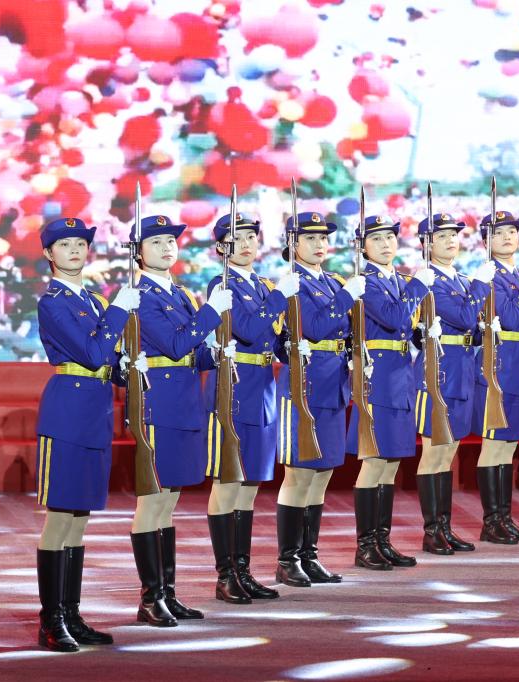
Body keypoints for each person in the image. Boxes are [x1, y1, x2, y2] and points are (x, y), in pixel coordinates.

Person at [34, 217, 143, 652]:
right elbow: (93, 352)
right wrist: (119, 310)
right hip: (68, 409)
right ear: (49, 254)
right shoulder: (53, 302)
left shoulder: (93, 300)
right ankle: (50, 620)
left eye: (80, 243)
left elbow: (108, 362)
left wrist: (129, 367)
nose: (75, 251)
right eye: (65, 245)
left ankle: (71, 614)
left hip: (96, 408)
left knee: (80, 518)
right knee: (61, 516)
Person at [127, 214, 234, 627]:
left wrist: (216, 352)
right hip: (160, 403)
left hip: (186, 400)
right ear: (138, 252)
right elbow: (173, 345)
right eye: (156, 242)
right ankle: (150, 597)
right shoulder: (141, 294)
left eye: (170, 241)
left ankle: (167, 593)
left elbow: (193, 353)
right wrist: (210, 314)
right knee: (153, 499)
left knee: (168, 502)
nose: (166, 248)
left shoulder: (179, 292)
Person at [203, 212, 298, 603]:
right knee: (228, 482)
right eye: (236, 238)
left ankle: (242, 570)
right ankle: (225, 575)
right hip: (235, 386)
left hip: (263, 387)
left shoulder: (262, 285)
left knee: (250, 485)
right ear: (220, 247)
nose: (245, 245)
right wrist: (278, 299)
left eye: (250, 237)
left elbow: (272, 338)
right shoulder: (222, 283)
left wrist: (292, 344)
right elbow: (245, 328)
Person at [275, 211, 366, 587]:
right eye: (310, 238)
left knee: (323, 473)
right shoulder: (291, 283)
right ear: (292, 244)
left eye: (323, 238)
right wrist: (347, 296)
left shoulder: (331, 281)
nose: (319, 244)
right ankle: (287, 559)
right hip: (305, 386)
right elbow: (313, 327)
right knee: (299, 474)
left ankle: (309, 555)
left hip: (333, 383)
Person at [346, 215, 432, 569]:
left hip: (400, 375)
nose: (385, 244)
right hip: (378, 377)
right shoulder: (365, 282)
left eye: (390, 238)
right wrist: (419, 287)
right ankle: (365, 545)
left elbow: (405, 328)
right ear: (363, 247)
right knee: (374, 460)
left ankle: (382, 540)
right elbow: (393, 318)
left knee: (392, 462)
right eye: (376, 239)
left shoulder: (398, 280)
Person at [411, 213, 496, 555]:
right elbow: (462, 316)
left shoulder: (460, 280)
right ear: (426, 244)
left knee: (449, 452)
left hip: (462, 369)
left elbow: (470, 324)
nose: (450, 241)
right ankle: (431, 531)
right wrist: (481, 287)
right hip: (439, 371)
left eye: (454, 235)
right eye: (442, 236)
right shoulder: (429, 280)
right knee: (434, 451)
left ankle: (444, 527)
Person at [471, 211, 519, 545]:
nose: (507, 238)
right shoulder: (490, 276)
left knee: (508, 448)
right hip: (500, 367)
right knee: (494, 446)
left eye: (511, 232)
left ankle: (503, 518)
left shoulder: (518, 275)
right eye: (498, 233)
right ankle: (491, 522)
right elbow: (513, 317)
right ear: (485, 241)